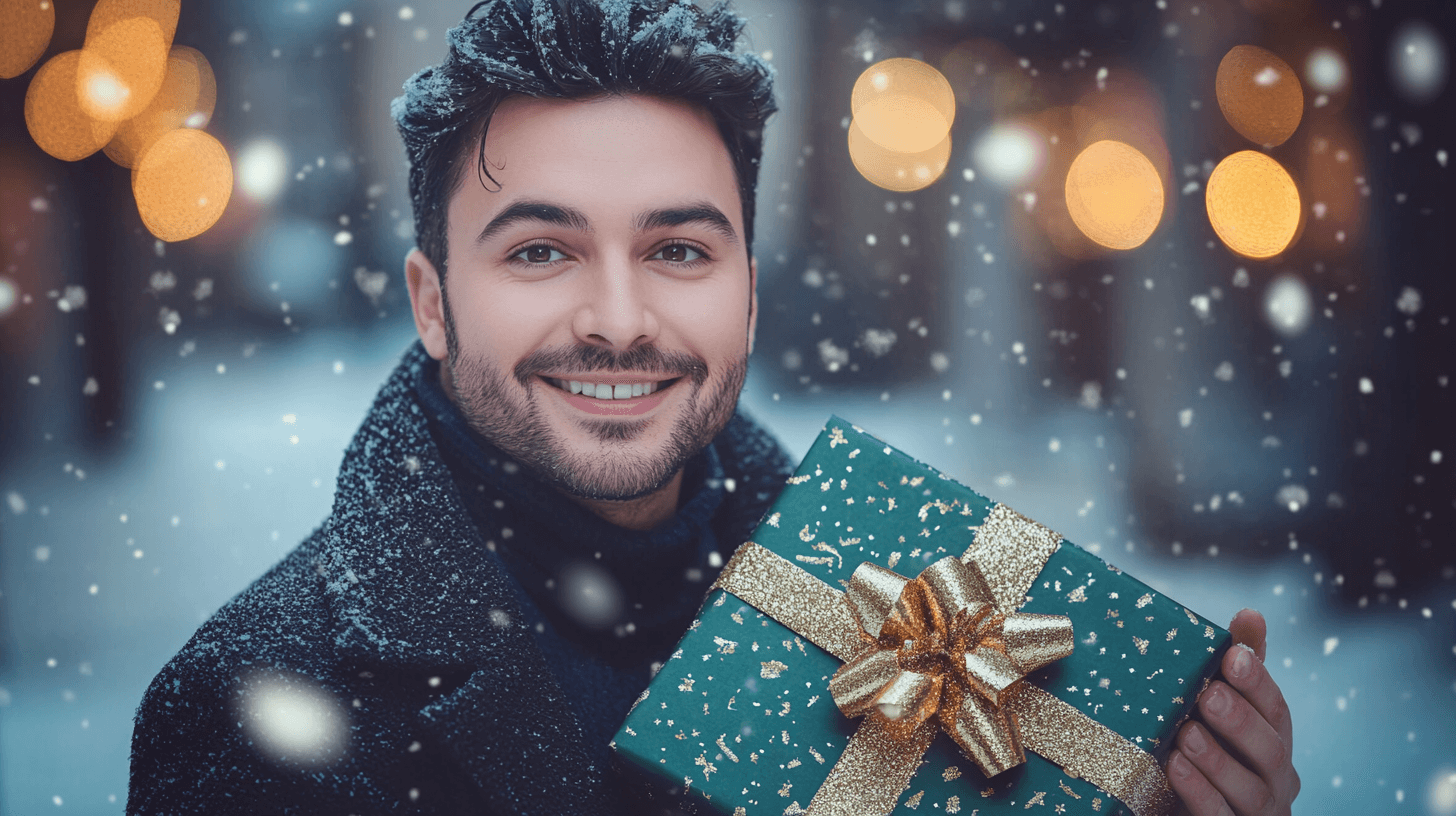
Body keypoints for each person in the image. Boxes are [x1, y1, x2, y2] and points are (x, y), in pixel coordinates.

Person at [127, 1, 1299, 814]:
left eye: (679, 250)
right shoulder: (247, 711)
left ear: (745, 297)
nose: (619, 319)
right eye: (540, 251)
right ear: (433, 305)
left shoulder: (882, 579)